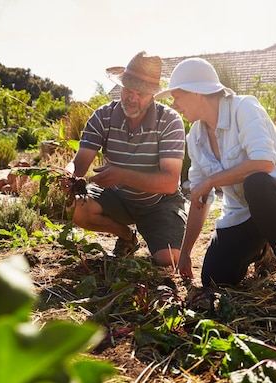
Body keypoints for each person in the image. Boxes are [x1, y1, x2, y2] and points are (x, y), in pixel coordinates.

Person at [154, 57, 276, 297]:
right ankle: (263, 251)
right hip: (244, 214)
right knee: (214, 279)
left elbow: (264, 163)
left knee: (257, 182)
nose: (175, 105)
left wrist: (211, 181)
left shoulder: (243, 107)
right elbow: (200, 199)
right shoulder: (195, 138)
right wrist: (186, 251)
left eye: (177, 96)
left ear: (197, 92)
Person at [64, 51, 188, 267]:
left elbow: (169, 182)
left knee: (168, 260)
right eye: (128, 90)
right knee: (75, 207)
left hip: (159, 202)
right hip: (117, 197)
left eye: (140, 93)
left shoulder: (169, 121)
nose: (132, 98)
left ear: (152, 95)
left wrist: (122, 175)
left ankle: (156, 233)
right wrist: (68, 174)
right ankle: (126, 237)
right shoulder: (103, 116)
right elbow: (80, 162)